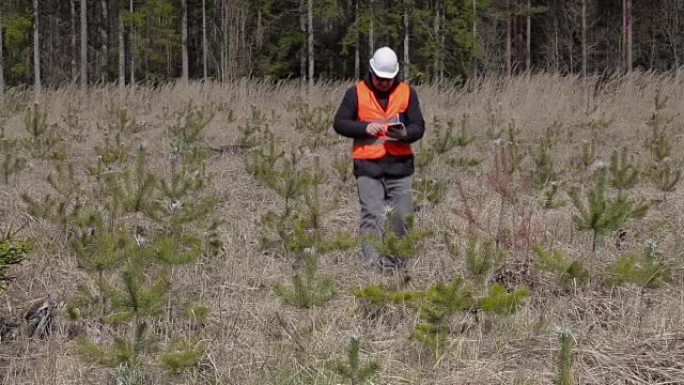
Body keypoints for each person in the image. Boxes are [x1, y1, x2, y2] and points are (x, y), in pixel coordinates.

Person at [332, 46, 426, 273]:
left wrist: (405, 134)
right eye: (380, 78)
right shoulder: (355, 93)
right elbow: (340, 123)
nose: (384, 83)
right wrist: (365, 127)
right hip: (368, 167)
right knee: (371, 216)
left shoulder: (407, 92)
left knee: (402, 218)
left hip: (400, 167)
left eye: (389, 79)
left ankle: (396, 267)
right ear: (371, 71)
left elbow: (419, 126)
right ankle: (373, 270)